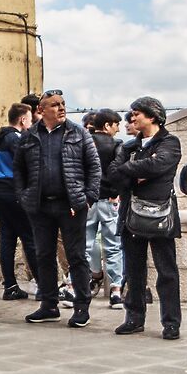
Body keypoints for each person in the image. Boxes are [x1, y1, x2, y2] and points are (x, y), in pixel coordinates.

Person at [18, 89, 101, 327]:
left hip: (71, 206)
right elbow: (19, 171)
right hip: (40, 206)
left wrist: (87, 199)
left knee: (76, 256)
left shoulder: (79, 133)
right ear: (41, 110)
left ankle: (82, 308)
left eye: (63, 103)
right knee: (43, 255)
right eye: (54, 105)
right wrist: (24, 198)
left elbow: (94, 168)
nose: (61, 107)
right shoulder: (29, 136)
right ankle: (48, 305)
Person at [105, 96, 182, 338]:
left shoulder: (170, 142)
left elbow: (159, 166)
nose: (132, 117)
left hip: (161, 214)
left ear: (152, 116)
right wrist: (137, 171)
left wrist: (134, 169)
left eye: (137, 113)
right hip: (131, 215)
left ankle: (171, 323)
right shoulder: (128, 146)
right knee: (133, 271)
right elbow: (113, 175)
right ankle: (134, 318)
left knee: (166, 272)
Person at [0, 101, 36, 301]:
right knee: (29, 238)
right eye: (31, 119)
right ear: (23, 119)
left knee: (7, 239)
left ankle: (10, 284)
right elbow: (27, 163)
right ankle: (43, 284)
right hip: (13, 191)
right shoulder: (16, 139)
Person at [82, 110, 126, 309]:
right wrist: (116, 191)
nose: (118, 128)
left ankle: (79, 286)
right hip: (109, 200)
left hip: (88, 200)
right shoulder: (117, 145)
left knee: (85, 244)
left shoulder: (85, 142)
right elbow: (119, 170)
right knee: (113, 246)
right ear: (107, 126)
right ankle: (116, 290)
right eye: (115, 124)